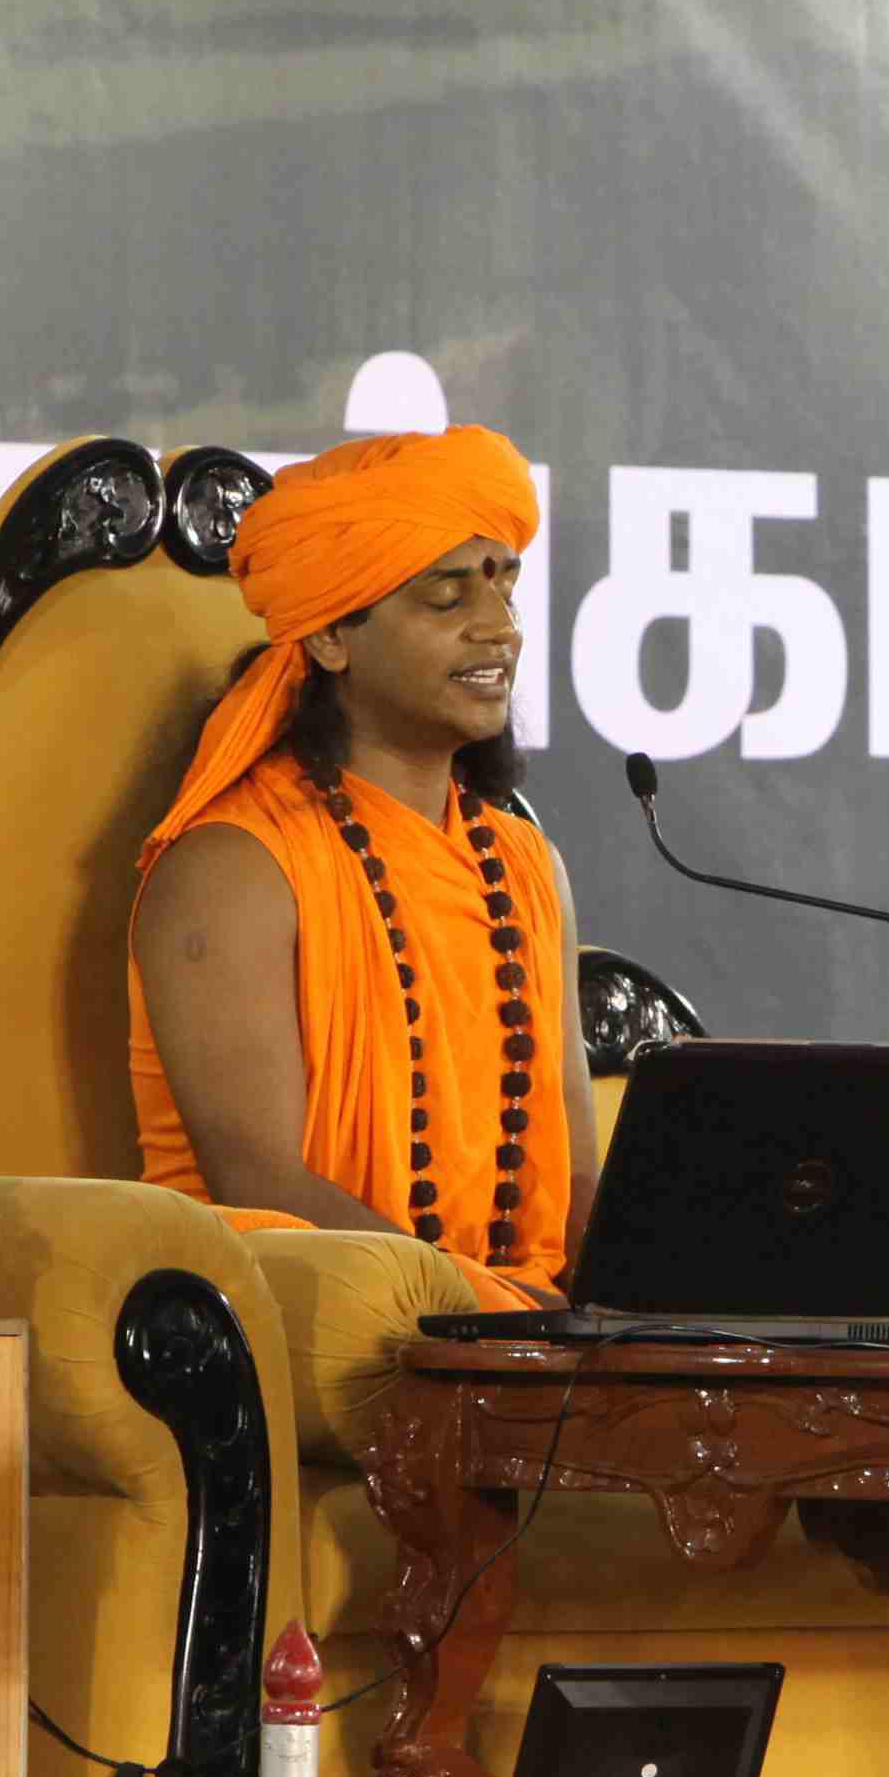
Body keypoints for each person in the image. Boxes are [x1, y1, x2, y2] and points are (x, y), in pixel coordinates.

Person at [126, 425, 599, 1297]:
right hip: (310, 1323)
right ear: (333, 639)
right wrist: (494, 1317)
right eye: (447, 599)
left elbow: (575, 1182)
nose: (499, 630)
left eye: (504, 587)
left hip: (519, 1336)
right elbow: (262, 1185)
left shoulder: (526, 865)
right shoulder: (234, 869)